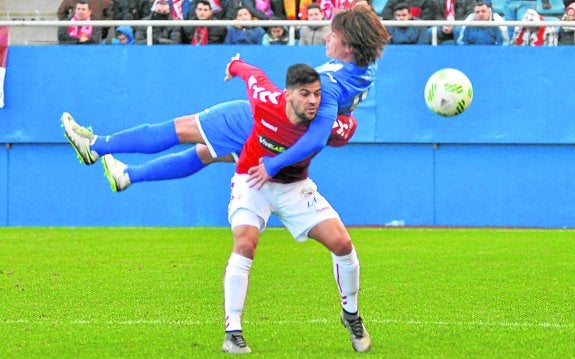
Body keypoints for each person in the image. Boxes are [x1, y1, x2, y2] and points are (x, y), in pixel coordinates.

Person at [61, 7, 388, 194]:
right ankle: (128, 175)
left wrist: (243, 68)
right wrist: (345, 125)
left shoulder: (329, 85)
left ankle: (96, 146)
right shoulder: (363, 70)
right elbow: (333, 124)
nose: (327, 36)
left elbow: (315, 127)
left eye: (334, 33)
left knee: (178, 128)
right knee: (203, 154)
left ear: (348, 44)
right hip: (279, 141)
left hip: (263, 124)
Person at [218, 57, 369, 354]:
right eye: (305, 94)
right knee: (246, 243)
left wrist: (274, 164)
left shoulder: (333, 124)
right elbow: (252, 73)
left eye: (317, 94)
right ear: (288, 94)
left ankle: (350, 313)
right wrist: (234, 65)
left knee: (342, 243)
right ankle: (232, 331)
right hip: (253, 181)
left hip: (295, 187)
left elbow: (330, 136)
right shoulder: (265, 100)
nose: (313, 101)